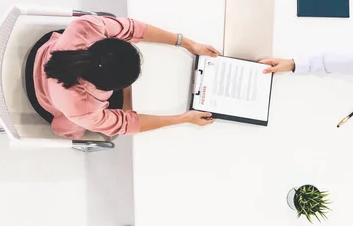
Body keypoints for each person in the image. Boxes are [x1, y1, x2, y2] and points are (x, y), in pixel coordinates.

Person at [28, 15, 220, 139]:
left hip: (46, 54)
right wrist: (183, 118)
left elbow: (134, 28)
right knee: (81, 127)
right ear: (109, 89)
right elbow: (126, 124)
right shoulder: (84, 109)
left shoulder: (85, 28)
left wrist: (187, 43)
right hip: (45, 99)